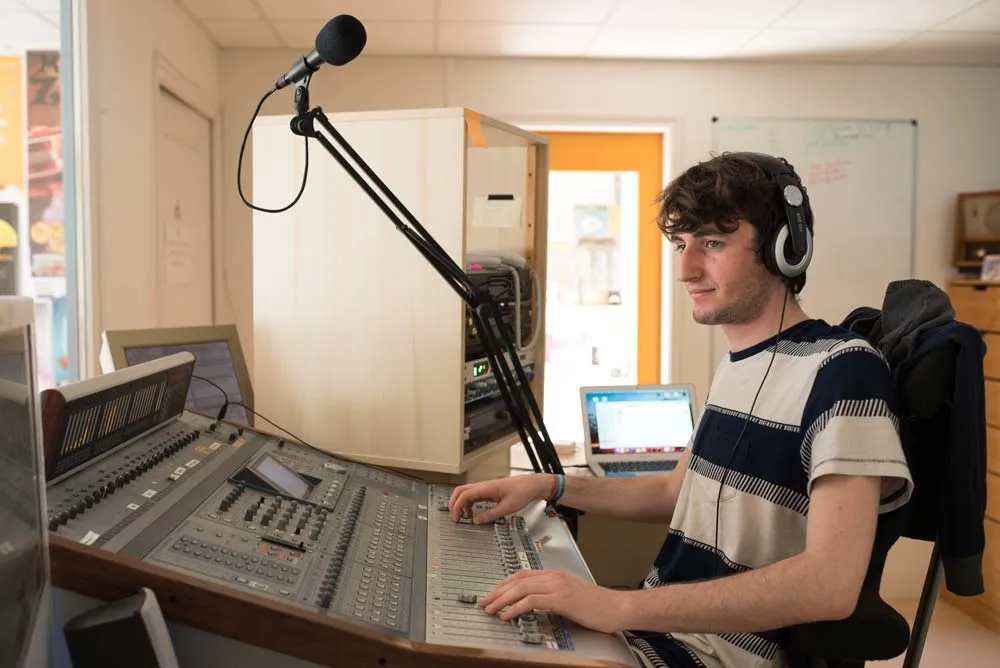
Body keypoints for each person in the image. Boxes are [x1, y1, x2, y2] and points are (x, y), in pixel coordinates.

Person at [448, 152, 914, 668]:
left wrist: (616, 606)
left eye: (712, 243)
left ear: (786, 248)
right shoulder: (736, 366)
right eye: (680, 245)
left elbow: (830, 585)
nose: (686, 270)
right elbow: (675, 492)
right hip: (654, 637)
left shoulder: (843, 371)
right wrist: (550, 486)